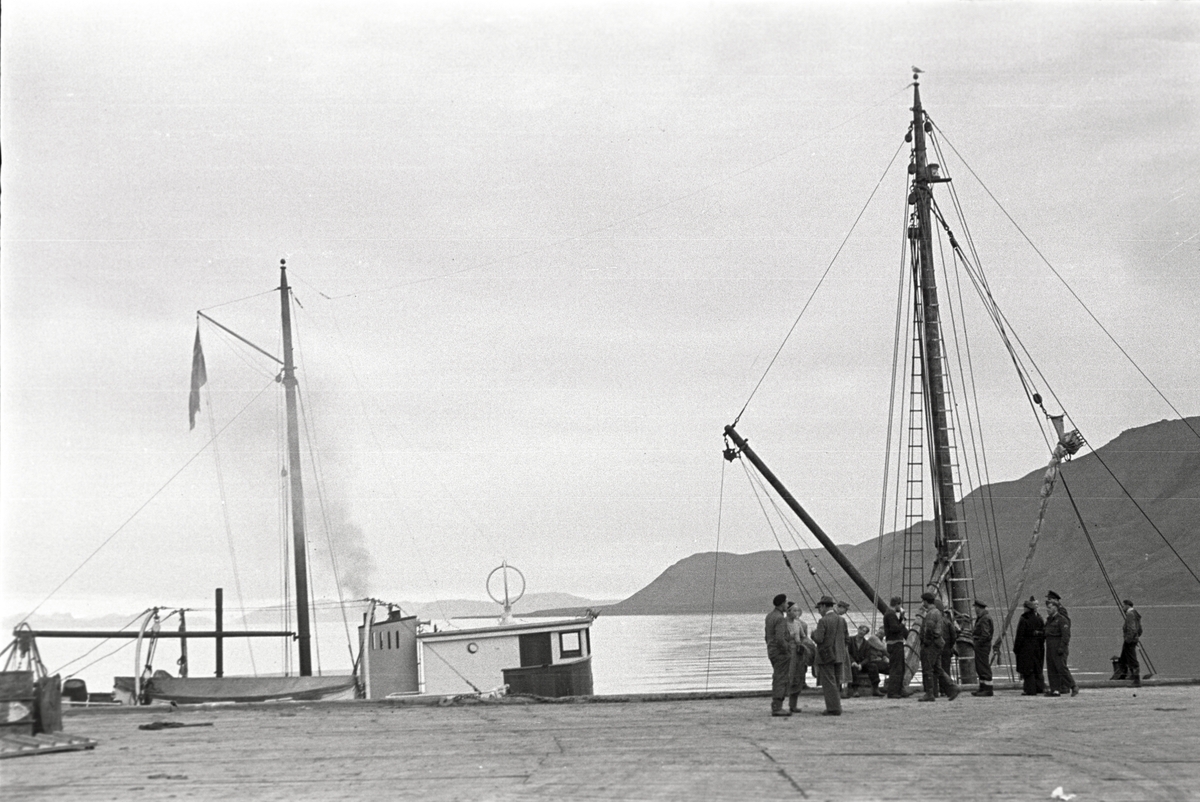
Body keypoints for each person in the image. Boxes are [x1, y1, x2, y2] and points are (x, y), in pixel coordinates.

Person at [917, 591, 959, 702]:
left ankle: (930, 693)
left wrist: (926, 642)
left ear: (926, 602)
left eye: (923, 601)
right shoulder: (937, 612)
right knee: (937, 668)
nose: (922, 603)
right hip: (938, 644)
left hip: (931, 645)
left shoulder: (931, 613)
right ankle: (952, 687)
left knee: (928, 668)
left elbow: (929, 629)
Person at [811, 595, 847, 716]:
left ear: (824, 606)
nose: (819, 611)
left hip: (826, 656)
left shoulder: (823, 621)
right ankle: (837, 705)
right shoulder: (842, 620)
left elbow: (819, 639)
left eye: (819, 608)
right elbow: (846, 638)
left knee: (829, 683)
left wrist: (812, 634)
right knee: (836, 682)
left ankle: (833, 708)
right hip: (840, 656)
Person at [1043, 598, 1078, 697]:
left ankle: (1073, 686)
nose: (1047, 610)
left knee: (1061, 668)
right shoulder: (1049, 620)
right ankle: (1055, 690)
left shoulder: (1062, 619)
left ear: (1055, 608)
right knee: (1051, 668)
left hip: (1058, 646)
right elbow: (1045, 632)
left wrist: (1062, 647)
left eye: (1049, 608)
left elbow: (1066, 635)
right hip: (1049, 645)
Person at [765, 593, 792, 716]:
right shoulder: (780, 618)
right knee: (781, 678)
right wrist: (787, 650)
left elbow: (767, 636)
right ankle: (777, 707)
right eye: (786, 603)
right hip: (780, 653)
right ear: (782, 604)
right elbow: (780, 639)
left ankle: (776, 705)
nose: (787, 605)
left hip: (772, 651)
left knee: (777, 676)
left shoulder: (769, 616)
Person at [1013, 597, 1046, 695]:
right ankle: (1040, 688)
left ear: (1026, 608)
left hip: (1026, 649)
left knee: (1028, 670)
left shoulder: (1024, 619)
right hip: (1038, 648)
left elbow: (1020, 635)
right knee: (1037, 668)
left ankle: (1030, 690)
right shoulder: (1039, 618)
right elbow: (1043, 634)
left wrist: (1016, 648)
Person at [785, 601, 814, 711]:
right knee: (789, 677)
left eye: (798, 610)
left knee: (798, 676)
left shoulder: (798, 624)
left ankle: (793, 705)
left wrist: (810, 646)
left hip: (799, 652)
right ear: (788, 612)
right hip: (788, 652)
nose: (797, 613)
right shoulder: (783, 623)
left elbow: (803, 636)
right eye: (794, 610)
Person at [883, 595, 911, 698]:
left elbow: (894, 627)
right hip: (895, 644)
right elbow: (895, 628)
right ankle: (893, 692)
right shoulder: (890, 614)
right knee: (896, 668)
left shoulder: (890, 614)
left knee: (899, 667)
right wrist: (903, 623)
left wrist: (901, 617)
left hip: (895, 643)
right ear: (898, 604)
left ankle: (898, 690)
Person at [848, 624, 888, 697]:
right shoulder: (850, 640)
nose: (862, 632)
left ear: (865, 633)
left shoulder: (866, 643)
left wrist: (861, 664)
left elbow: (867, 657)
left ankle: (875, 689)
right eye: (861, 630)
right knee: (854, 668)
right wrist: (853, 662)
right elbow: (847, 653)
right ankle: (855, 690)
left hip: (861, 664)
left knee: (873, 666)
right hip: (851, 663)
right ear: (858, 629)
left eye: (864, 631)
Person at [971, 599, 994, 697]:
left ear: (978, 608)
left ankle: (988, 689)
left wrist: (977, 643)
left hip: (982, 646)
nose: (974, 609)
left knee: (983, 667)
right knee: (980, 667)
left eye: (975, 607)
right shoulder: (983, 617)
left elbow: (985, 634)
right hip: (982, 646)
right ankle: (982, 687)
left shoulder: (984, 618)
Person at [1117, 599, 1143, 687]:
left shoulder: (1130, 614)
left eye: (1123, 605)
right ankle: (1126, 676)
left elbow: (1132, 628)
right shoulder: (1135, 613)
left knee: (1132, 659)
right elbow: (1139, 629)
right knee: (1124, 658)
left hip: (1130, 640)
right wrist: (1137, 636)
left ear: (1128, 605)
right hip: (1133, 639)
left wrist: (1128, 639)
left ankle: (1136, 680)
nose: (1122, 607)